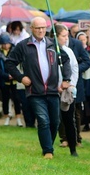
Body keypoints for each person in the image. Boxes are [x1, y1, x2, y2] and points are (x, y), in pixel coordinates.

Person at [5, 17, 71, 159]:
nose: (41, 30)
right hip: (35, 91)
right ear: (31, 29)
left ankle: (48, 145)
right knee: (43, 120)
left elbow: (65, 60)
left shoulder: (53, 44)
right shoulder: (23, 45)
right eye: (37, 28)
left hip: (53, 90)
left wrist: (66, 79)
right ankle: (48, 151)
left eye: (43, 28)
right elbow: (9, 63)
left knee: (55, 122)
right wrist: (21, 77)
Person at [55, 24, 80, 157]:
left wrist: (71, 84)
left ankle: (73, 148)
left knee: (69, 119)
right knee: (54, 120)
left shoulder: (68, 51)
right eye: (63, 36)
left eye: (67, 36)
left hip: (67, 90)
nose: (66, 39)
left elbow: (74, 68)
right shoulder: (51, 50)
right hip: (53, 90)